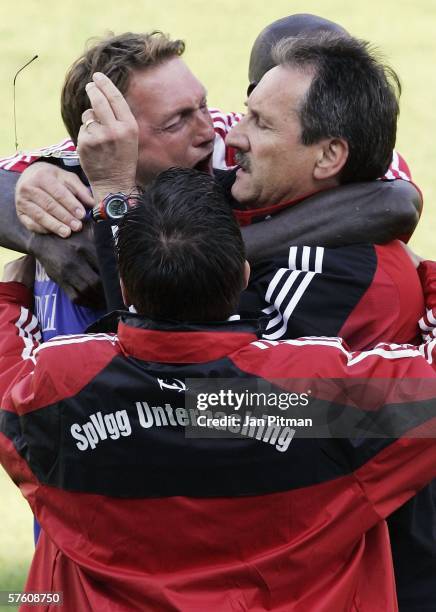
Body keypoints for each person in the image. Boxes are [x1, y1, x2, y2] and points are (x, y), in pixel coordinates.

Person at [1, 167, 436, 612]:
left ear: (126, 286)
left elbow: (6, 370)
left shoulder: (58, 388)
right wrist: (427, 277)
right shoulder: (316, 399)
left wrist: (12, 291)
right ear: (244, 274)